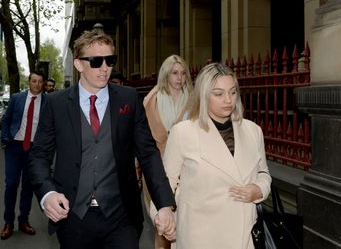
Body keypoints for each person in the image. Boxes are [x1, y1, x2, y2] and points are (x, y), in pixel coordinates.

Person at [28, 29, 176, 249]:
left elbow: (148, 153)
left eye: (110, 60)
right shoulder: (56, 104)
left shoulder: (128, 99)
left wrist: (164, 204)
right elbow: (39, 155)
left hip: (121, 216)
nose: (105, 68)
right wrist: (47, 193)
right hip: (73, 216)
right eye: (96, 61)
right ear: (78, 64)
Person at [160, 62, 272, 248]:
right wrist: (164, 216)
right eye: (219, 94)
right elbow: (165, 183)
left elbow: (264, 173)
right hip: (199, 236)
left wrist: (259, 190)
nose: (228, 100)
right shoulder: (183, 132)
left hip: (244, 234)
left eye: (233, 92)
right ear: (204, 96)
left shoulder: (253, 131)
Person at [142, 54, 193, 249]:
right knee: (163, 224)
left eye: (183, 73)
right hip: (157, 168)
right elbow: (143, 139)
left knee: (184, 223)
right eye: (174, 73)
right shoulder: (151, 101)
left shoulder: (194, 101)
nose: (179, 78)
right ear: (166, 74)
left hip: (185, 170)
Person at [0, 71, 47, 240]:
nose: (37, 84)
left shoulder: (48, 102)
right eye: (34, 81)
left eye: (40, 82)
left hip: (34, 150)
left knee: (28, 187)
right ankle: (8, 222)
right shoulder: (17, 98)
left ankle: (23, 221)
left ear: (44, 84)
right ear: (29, 82)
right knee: (11, 185)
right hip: (14, 148)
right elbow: (6, 119)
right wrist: (5, 139)